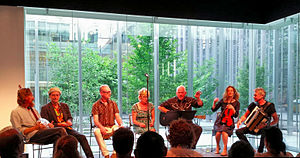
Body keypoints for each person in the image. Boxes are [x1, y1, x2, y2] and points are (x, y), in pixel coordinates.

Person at [41, 87, 94, 158]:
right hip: (55, 130)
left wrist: (69, 121)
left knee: (82, 137)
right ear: (50, 96)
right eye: (53, 95)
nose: (55, 97)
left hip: (67, 128)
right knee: (61, 140)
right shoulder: (45, 108)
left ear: (59, 96)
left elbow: (69, 117)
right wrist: (59, 124)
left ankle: (90, 157)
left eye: (57, 95)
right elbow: (46, 123)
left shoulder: (64, 106)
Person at [236, 87, 279, 153]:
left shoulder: (270, 106)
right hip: (252, 128)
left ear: (262, 96)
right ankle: (250, 149)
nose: (253, 97)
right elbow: (245, 115)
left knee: (265, 131)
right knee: (238, 131)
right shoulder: (253, 105)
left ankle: (260, 152)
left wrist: (267, 124)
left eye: (255, 95)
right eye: (254, 95)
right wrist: (240, 121)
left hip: (263, 129)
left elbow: (276, 119)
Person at [92, 84, 124, 158]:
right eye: (107, 92)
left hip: (112, 126)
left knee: (118, 129)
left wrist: (121, 124)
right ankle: (106, 154)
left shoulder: (113, 103)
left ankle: (115, 153)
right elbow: (96, 121)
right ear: (101, 93)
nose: (109, 94)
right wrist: (101, 127)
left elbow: (117, 116)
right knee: (96, 131)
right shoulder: (96, 105)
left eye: (110, 92)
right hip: (101, 126)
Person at [212, 86, 240, 156]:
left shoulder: (237, 103)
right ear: (226, 92)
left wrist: (232, 108)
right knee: (218, 133)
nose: (230, 92)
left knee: (224, 132)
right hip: (220, 120)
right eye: (228, 91)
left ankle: (224, 149)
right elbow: (214, 109)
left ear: (234, 92)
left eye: (231, 91)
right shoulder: (223, 101)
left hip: (229, 122)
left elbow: (236, 115)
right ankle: (218, 146)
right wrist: (214, 102)